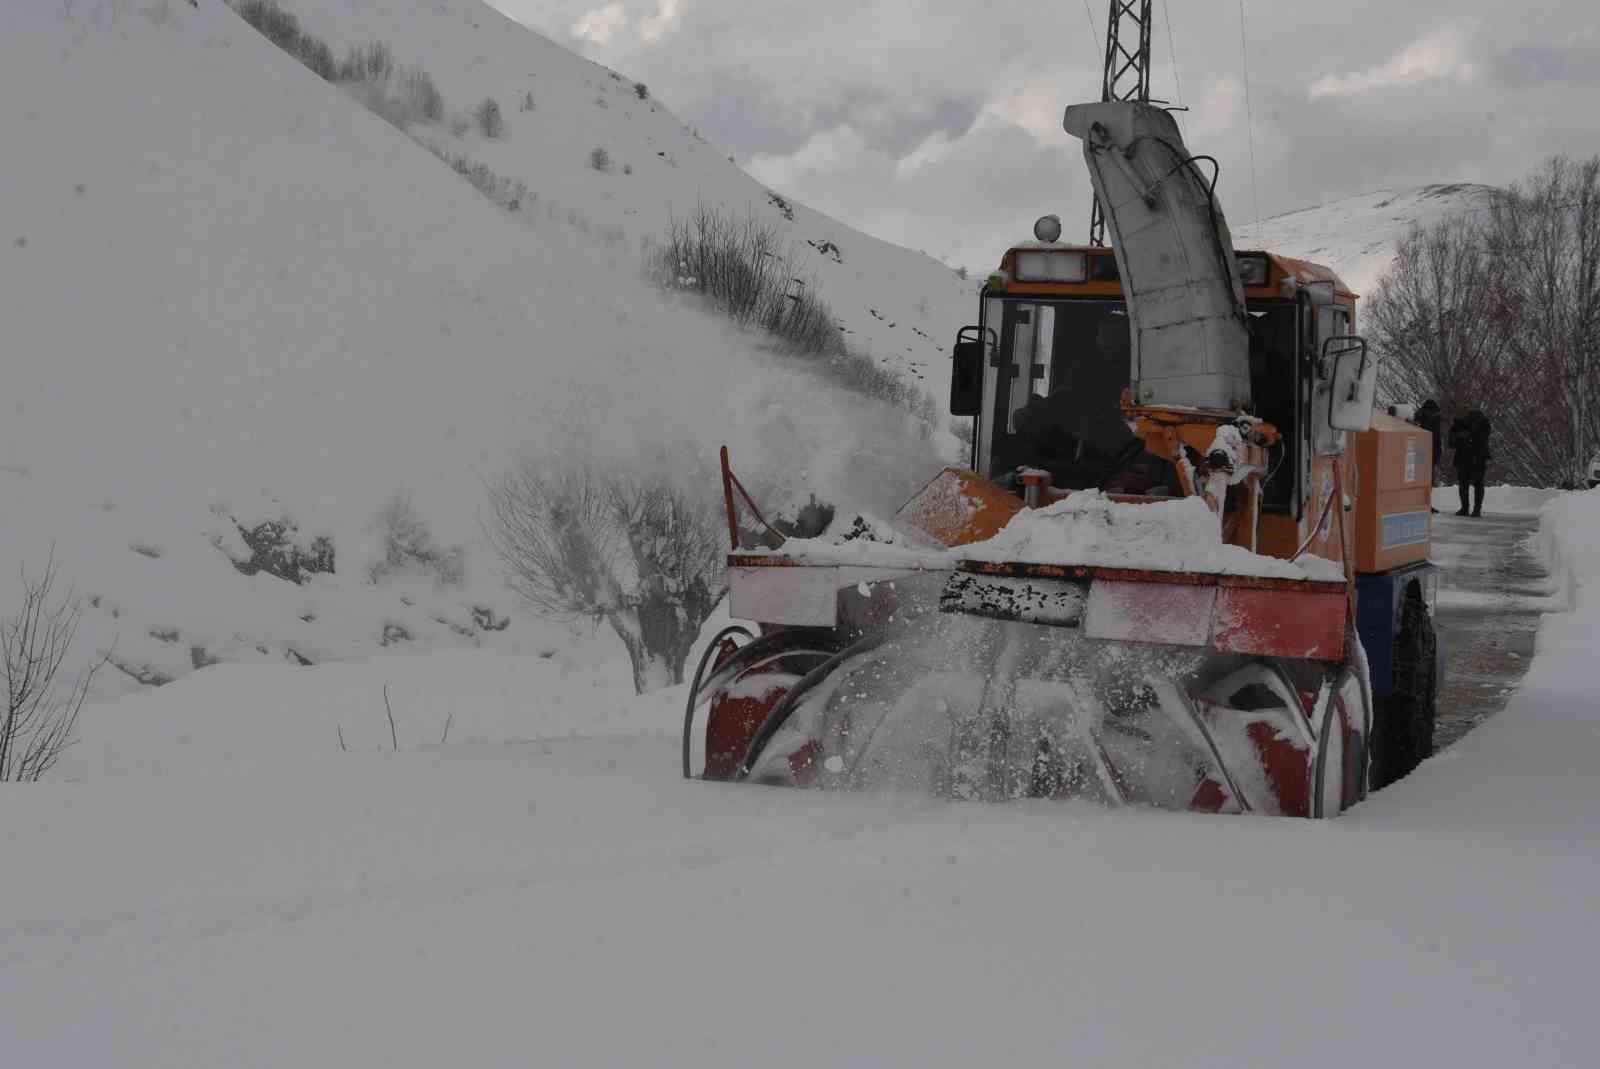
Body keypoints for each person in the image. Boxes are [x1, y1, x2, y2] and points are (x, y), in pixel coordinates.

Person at [1447, 402, 1492, 516]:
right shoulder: (1457, 424)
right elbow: (1451, 443)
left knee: (1478, 483)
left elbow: (1483, 438)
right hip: (1463, 457)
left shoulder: (1482, 421)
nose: (1459, 414)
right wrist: (1456, 437)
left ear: (1468, 411)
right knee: (1463, 484)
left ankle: (1477, 509)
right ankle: (1464, 508)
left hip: (1477, 457)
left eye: (1462, 411)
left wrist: (1469, 435)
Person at [1413, 399, 1442, 511]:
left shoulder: (1433, 419)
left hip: (1430, 451)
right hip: (1422, 451)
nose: (1434, 415)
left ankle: (1426, 503)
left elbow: (1436, 437)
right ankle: (1422, 503)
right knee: (1423, 480)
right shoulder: (1422, 420)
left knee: (1427, 480)